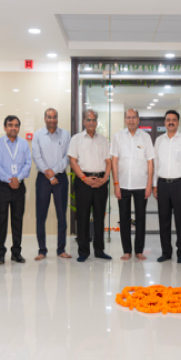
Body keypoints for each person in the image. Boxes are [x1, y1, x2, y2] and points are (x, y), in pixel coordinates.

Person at [153, 110, 181, 264]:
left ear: (178, 122)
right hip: (163, 184)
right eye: (168, 120)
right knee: (163, 219)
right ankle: (166, 252)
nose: (170, 122)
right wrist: (155, 184)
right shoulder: (159, 141)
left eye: (173, 119)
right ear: (165, 122)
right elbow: (156, 164)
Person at [69, 110, 112, 262]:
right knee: (82, 217)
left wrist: (105, 178)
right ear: (84, 122)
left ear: (96, 122)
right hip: (83, 182)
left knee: (99, 217)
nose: (91, 122)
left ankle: (99, 250)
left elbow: (108, 162)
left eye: (94, 120)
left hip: (100, 181)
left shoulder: (103, 140)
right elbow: (73, 161)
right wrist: (84, 178)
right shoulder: (76, 139)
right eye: (88, 120)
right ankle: (83, 251)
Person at [111, 109, 154, 261]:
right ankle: (127, 251)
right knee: (124, 218)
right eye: (128, 117)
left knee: (141, 218)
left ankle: (139, 251)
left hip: (141, 184)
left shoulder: (146, 137)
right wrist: (116, 184)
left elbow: (150, 162)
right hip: (123, 184)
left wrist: (149, 184)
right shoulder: (118, 137)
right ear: (125, 120)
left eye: (133, 117)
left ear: (138, 119)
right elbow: (114, 162)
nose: (131, 120)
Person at [31, 108, 72, 260]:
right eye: (49, 117)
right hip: (43, 179)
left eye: (54, 117)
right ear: (44, 119)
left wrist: (53, 172)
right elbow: (36, 157)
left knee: (62, 215)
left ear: (57, 119)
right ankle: (42, 250)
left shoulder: (66, 134)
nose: (52, 119)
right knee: (41, 216)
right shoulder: (38, 135)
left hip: (60, 179)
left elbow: (67, 157)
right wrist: (49, 175)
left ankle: (61, 249)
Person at [0, 115, 32, 264]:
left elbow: (28, 163)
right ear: (5, 127)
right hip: (3, 186)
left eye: (16, 125)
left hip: (19, 187)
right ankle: (0, 253)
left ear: (19, 128)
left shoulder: (24, 144)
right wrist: (9, 179)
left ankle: (16, 252)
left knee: (17, 220)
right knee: (0, 221)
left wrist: (18, 179)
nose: (13, 128)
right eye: (10, 125)